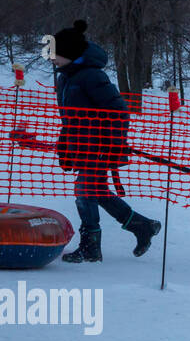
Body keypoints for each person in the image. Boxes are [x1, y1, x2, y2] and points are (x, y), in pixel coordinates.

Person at [46, 20, 161, 263]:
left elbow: (118, 111)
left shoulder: (91, 76)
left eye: (55, 54)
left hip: (99, 146)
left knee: (84, 191)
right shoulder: (66, 78)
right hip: (82, 145)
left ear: (70, 54)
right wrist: (65, 143)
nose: (51, 58)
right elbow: (71, 118)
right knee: (95, 191)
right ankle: (142, 226)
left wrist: (114, 144)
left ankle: (91, 248)